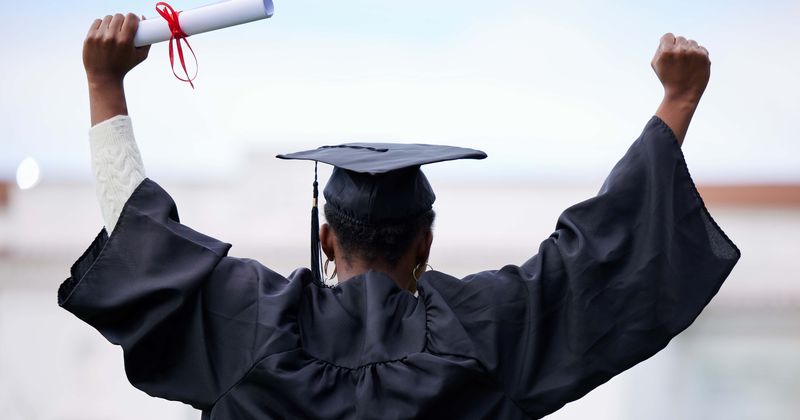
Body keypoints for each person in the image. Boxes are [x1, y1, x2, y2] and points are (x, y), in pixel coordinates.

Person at [59, 13, 740, 420]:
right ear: (425, 242)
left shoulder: (252, 327)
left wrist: (104, 84)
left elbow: (143, 247)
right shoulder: (489, 330)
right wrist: (677, 101)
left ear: (327, 238)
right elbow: (600, 256)